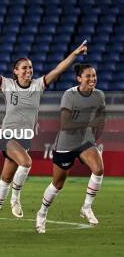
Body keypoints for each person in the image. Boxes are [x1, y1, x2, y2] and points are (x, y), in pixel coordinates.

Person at [0, 41, 88, 231]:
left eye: (30, 67)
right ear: (16, 71)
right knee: (26, 163)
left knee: (6, 178)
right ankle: (16, 198)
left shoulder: (38, 85)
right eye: (25, 68)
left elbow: (59, 69)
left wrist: (75, 54)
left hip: (24, 138)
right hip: (6, 136)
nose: (29, 70)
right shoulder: (7, 84)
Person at [35, 63, 105, 233]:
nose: (92, 79)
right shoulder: (70, 95)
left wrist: (94, 136)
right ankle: (42, 214)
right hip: (66, 143)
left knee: (98, 169)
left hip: (85, 141)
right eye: (88, 76)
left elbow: (100, 119)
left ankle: (86, 207)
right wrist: (89, 123)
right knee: (57, 184)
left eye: (94, 75)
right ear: (79, 78)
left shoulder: (99, 95)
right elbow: (65, 124)